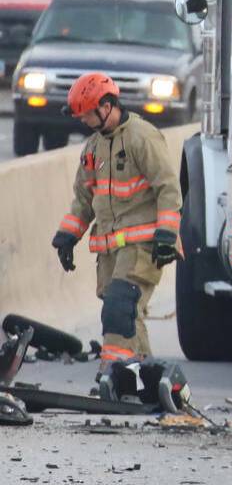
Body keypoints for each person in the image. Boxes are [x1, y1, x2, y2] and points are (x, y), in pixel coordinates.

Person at [51, 72, 182, 370]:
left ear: (107, 106)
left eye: (87, 114)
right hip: (111, 249)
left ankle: (115, 374)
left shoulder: (142, 137)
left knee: (120, 307)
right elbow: (84, 199)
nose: (84, 121)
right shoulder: (93, 149)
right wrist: (68, 235)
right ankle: (146, 375)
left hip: (144, 244)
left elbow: (168, 189)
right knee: (126, 314)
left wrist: (167, 235)